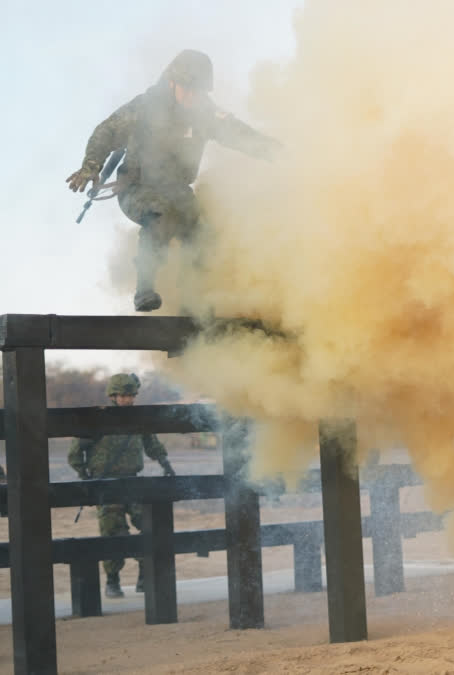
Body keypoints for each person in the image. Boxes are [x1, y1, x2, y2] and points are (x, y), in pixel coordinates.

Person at [66, 49, 281, 312]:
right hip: (137, 187)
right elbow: (107, 131)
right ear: (172, 82)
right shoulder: (145, 107)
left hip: (177, 190)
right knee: (159, 217)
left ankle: (193, 305)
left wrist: (275, 151)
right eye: (187, 89)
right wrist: (90, 166)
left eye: (198, 91)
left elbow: (238, 133)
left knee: (202, 234)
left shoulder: (206, 113)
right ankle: (144, 290)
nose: (192, 96)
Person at [68, 373, 176, 598]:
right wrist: (84, 476)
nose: (127, 400)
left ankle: (144, 577)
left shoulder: (138, 418)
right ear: (113, 396)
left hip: (133, 482)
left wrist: (165, 464)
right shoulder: (99, 419)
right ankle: (112, 580)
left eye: (130, 395)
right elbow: (76, 451)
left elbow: (151, 443)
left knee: (149, 526)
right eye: (123, 396)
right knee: (112, 533)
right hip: (107, 485)